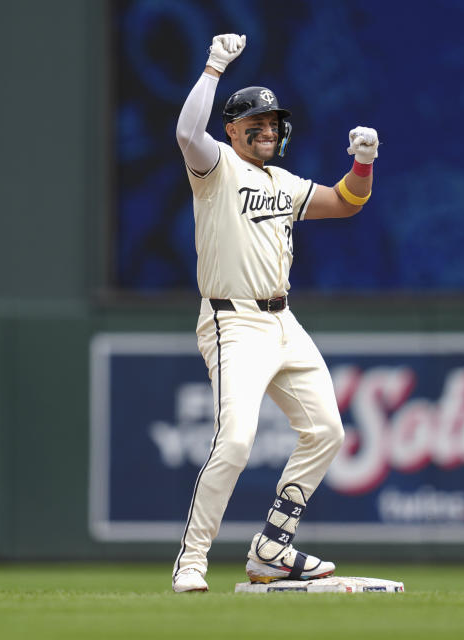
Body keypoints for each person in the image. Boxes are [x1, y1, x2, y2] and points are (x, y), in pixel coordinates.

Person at [170, 33, 379, 593]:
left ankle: (271, 548)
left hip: (283, 322)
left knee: (327, 431)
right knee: (235, 440)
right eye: (256, 123)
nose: (268, 130)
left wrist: (363, 161)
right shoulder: (215, 168)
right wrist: (214, 67)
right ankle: (192, 559)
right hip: (232, 320)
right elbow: (188, 132)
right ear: (233, 130)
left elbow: (346, 202)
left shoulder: (282, 181)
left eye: (273, 122)